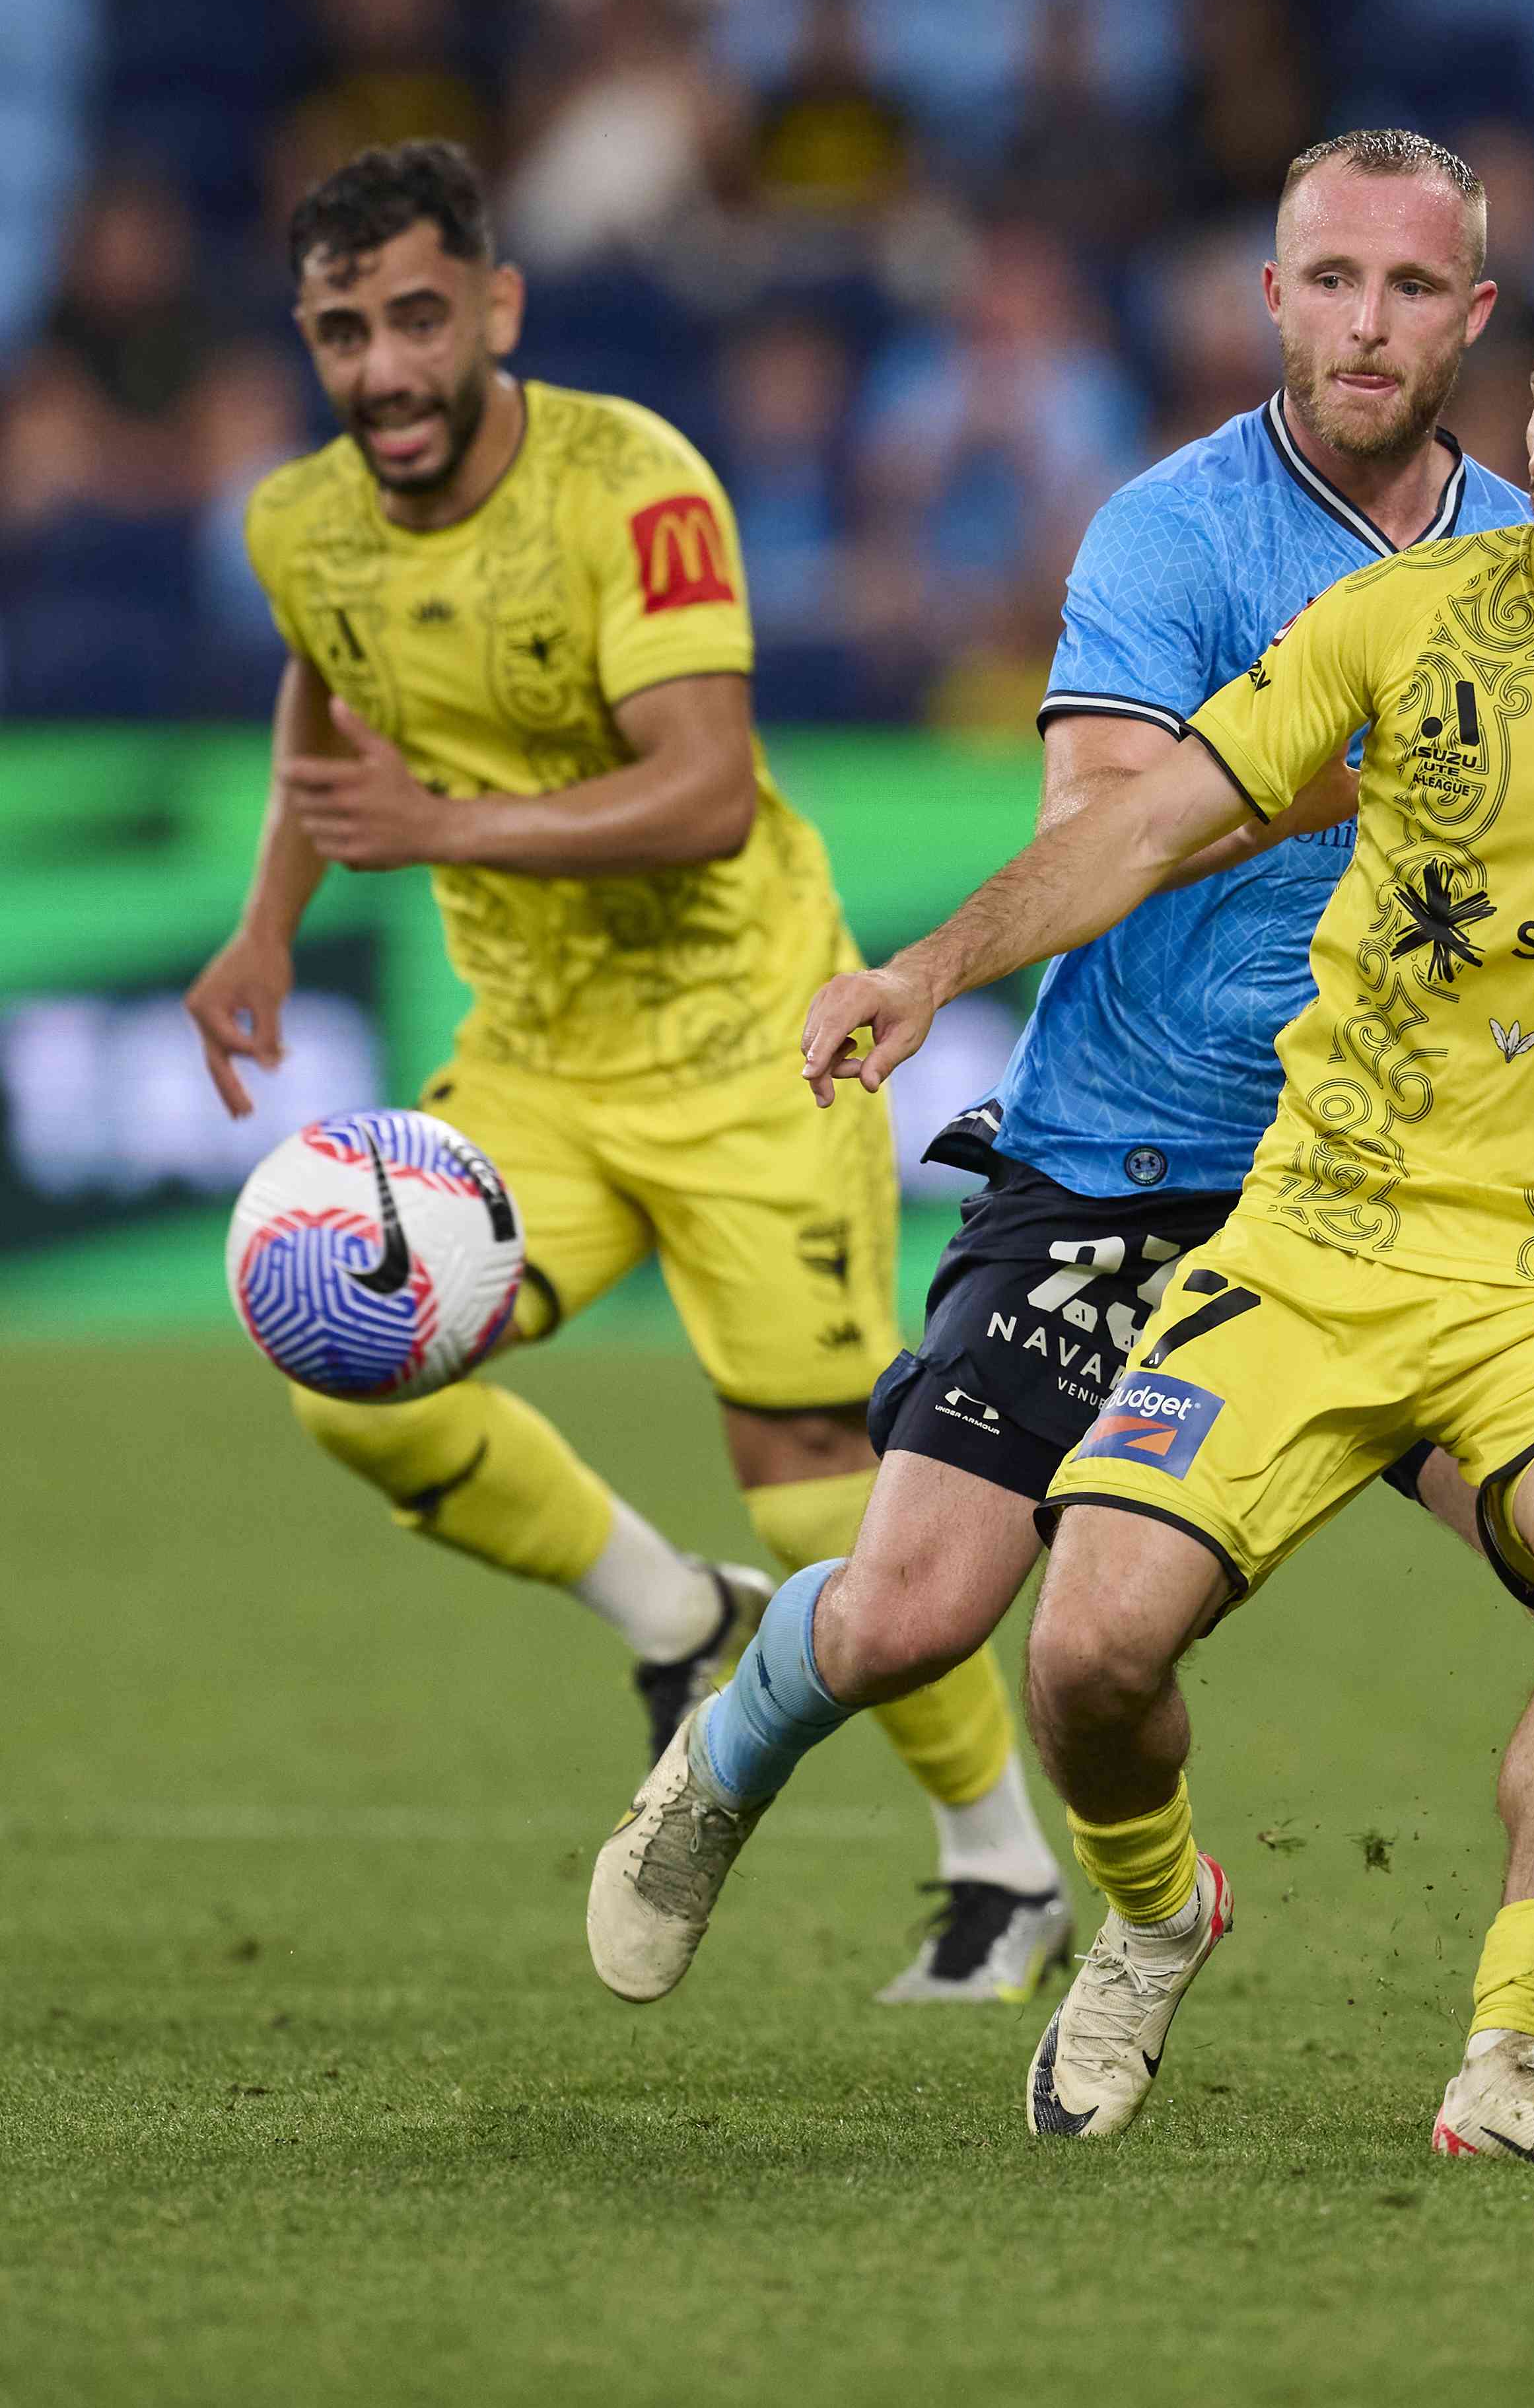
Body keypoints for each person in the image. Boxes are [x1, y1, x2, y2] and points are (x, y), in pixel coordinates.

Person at [669, 243, 1534, 2158]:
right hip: (1318, 1230)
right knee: (1086, 1653)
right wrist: (929, 970)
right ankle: (1156, 1911)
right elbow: (1156, 815)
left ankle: (1518, 2049)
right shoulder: (1403, 615)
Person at [179, 140, 1051, 1998]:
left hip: (753, 1041)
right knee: (347, 1355)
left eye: (420, 314)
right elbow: (324, 694)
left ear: (495, 307)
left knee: (820, 1474)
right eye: (344, 330)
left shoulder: (629, 478)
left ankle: (1003, 1863)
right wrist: (268, 915)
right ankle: (672, 1611)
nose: (387, 365)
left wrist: (447, 821)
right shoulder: (300, 524)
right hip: (537, 1059)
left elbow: (705, 782)